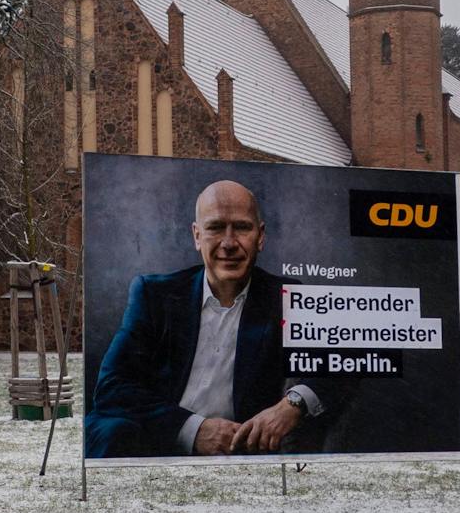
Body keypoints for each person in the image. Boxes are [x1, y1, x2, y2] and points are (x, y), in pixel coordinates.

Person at [87, 180, 328, 458]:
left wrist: (293, 404)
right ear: (197, 236)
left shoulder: (286, 297)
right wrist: (194, 429)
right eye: (215, 228)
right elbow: (112, 386)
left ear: (260, 237)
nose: (228, 243)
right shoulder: (155, 295)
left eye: (241, 227)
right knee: (109, 430)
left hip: (242, 449)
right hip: (160, 440)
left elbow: (341, 365)